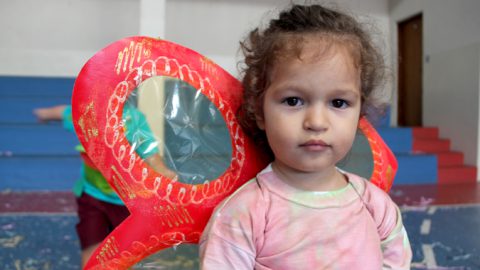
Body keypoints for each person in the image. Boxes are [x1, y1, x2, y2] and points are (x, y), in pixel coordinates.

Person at [199, 4, 412, 269]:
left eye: (338, 103)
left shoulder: (376, 206)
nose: (316, 122)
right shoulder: (243, 215)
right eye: (293, 100)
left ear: (359, 116)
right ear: (260, 111)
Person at [34, 103, 176, 268]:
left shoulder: (133, 118)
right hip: (92, 196)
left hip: (125, 202)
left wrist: (162, 171)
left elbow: (148, 150)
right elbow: (64, 112)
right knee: (92, 247)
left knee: (124, 252)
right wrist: (44, 113)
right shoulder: (86, 115)